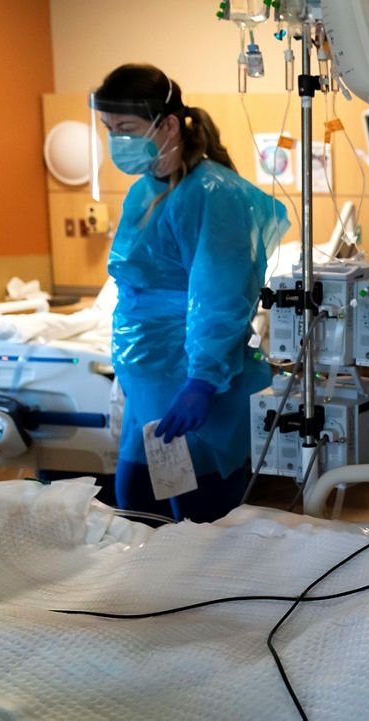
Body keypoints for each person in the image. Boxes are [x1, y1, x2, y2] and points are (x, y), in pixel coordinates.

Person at [92, 64, 288, 523]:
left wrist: (201, 380)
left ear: (168, 125)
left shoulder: (212, 194)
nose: (116, 140)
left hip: (190, 384)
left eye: (126, 129)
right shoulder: (144, 193)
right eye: (109, 129)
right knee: (137, 509)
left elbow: (219, 296)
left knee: (196, 524)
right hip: (150, 385)